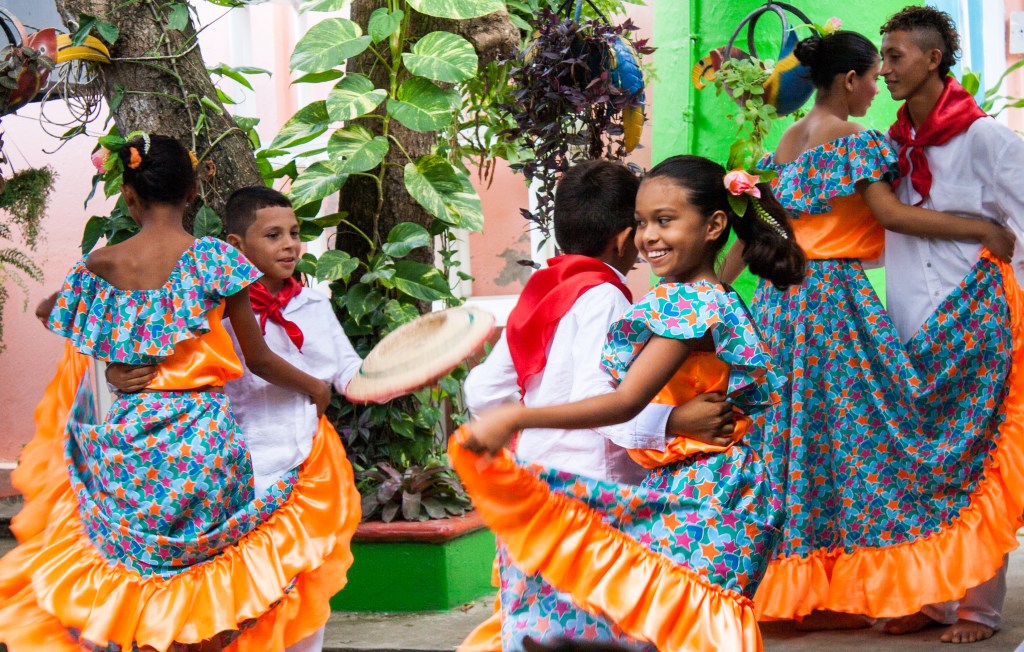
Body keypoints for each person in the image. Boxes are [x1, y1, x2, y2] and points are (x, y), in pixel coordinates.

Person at [0, 135, 359, 651]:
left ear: (129, 197)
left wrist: (113, 368)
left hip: (129, 444)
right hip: (203, 439)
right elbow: (255, 357)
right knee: (210, 582)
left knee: (135, 574)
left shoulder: (99, 268)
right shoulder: (215, 260)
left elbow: (54, 317)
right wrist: (313, 386)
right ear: (194, 192)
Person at [718, 28, 1020, 631]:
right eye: (872, 73)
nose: (879, 83)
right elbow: (890, 215)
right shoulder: (858, 140)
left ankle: (800, 592)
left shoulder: (787, 138)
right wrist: (981, 232)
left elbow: (762, 230)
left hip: (782, 307)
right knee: (867, 445)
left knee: (796, 443)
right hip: (833, 309)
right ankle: (849, 589)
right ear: (849, 80)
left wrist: (717, 292)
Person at [451, 155, 805, 651]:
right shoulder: (699, 293)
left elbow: (620, 404)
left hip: (705, 492)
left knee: (668, 621)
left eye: (664, 220)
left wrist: (518, 415)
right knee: (652, 619)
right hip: (708, 482)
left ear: (714, 225)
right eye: (641, 223)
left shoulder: (689, 303)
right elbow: (713, 275)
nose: (647, 237)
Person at [103, 186, 365, 651]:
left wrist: (402, 370)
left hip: (304, 467)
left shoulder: (316, 306)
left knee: (305, 590)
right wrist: (117, 371)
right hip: (236, 474)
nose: (289, 244)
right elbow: (165, 367)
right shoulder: (210, 308)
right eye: (273, 235)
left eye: (294, 233)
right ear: (237, 246)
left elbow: (348, 373)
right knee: (243, 602)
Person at [877, 6, 1024, 644]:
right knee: (921, 465)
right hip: (910, 320)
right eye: (882, 58)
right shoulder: (887, 146)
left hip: (979, 320)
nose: (884, 70)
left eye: (896, 56)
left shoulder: (987, 139)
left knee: (979, 462)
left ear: (933, 59)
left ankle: (978, 608)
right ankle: (932, 600)